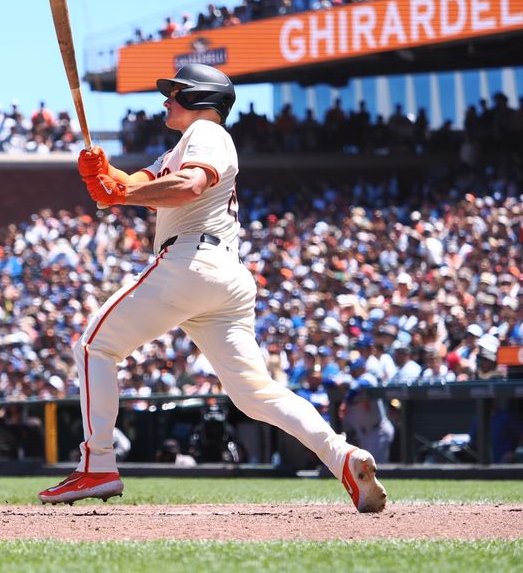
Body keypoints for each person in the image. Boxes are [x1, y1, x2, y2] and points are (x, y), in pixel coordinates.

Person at [38, 64, 386, 513]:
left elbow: (188, 186)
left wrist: (118, 193)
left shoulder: (207, 132)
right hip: (224, 276)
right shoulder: (181, 147)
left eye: (176, 93)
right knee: (253, 392)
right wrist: (103, 174)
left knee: (94, 347)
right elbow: (130, 186)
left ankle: (98, 464)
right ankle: (342, 455)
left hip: (191, 261)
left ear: (202, 99)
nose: (166, 100)